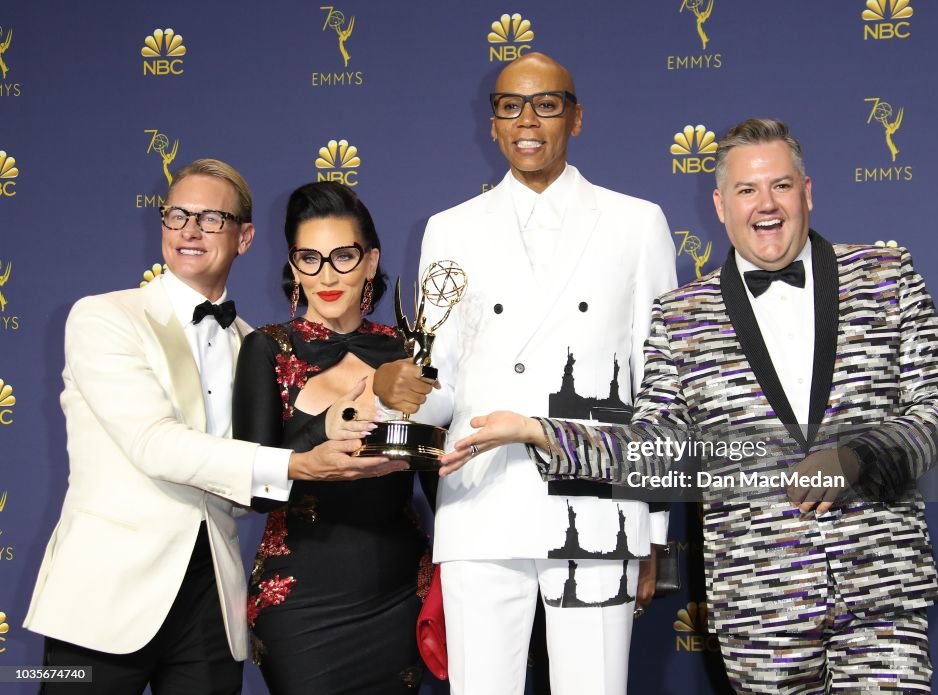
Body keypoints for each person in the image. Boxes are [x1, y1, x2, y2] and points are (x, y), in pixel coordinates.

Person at [455, 118, 938, 694]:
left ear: (808, 192)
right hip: (759, 604)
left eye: (780, 185)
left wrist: (857, 457)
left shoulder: (885, 276)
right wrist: (541, 432)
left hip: (881, 588)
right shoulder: (682, 314)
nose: (766, 205)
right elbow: (656, 447)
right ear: (721, 206)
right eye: (747, 191)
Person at [24, 160, 401, 694]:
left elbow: (254, 485)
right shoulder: (104, 317)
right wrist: (297, 462)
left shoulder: (258, 346)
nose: (190, 230)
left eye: (211, 218)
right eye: (177, 214)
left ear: (245, 237)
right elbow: (155, 445)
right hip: (103, 601)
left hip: (210, 606)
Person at [373, 52, 678, 695]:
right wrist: (406, 396)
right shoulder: (450, 229)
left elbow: (658, 384)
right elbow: (442, 374)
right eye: (510, 106)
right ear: (493, 125)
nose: (527, 120)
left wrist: (652, 529)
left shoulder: (636, 223)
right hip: (483, 500)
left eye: (546, 104)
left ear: (576, 117)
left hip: (598, 505)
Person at [233, 181, 432, 693]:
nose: (326, 274)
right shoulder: (267, 349)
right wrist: (324, 426)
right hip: (302, 603)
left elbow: (437, 474)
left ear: (370, 261)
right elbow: (254, 485)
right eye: (310, 258)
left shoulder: (407, 351)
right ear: (294, 267)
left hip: (398, 593)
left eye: (343, 256)